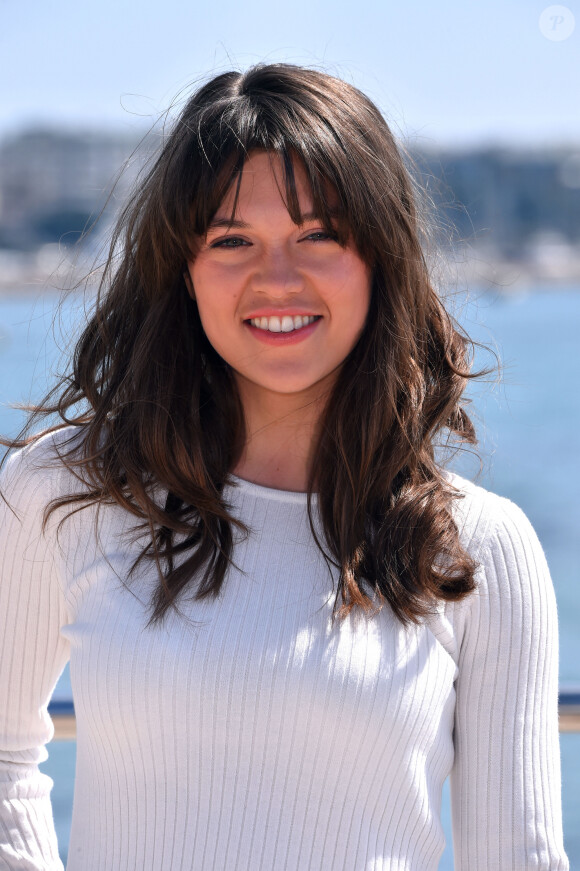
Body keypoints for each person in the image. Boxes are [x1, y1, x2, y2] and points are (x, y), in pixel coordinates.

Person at [0, 64, 568, 871]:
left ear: (380, 258)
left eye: (320, 235)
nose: (277, 278)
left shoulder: (479, 545)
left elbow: (518, 857)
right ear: (182, 268)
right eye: (231, 240)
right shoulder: (64, 490)